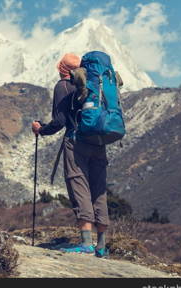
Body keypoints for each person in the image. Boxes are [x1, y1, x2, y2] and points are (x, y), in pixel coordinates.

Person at [31, 53, 109, 257]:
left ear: (61, 68)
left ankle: (85, 243)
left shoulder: (63, 85)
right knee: (99, 188)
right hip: (99, 141)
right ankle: (101, 245)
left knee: (79, 185)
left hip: (77, 141)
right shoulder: (95, 85)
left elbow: (59, 121)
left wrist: (41, 129)